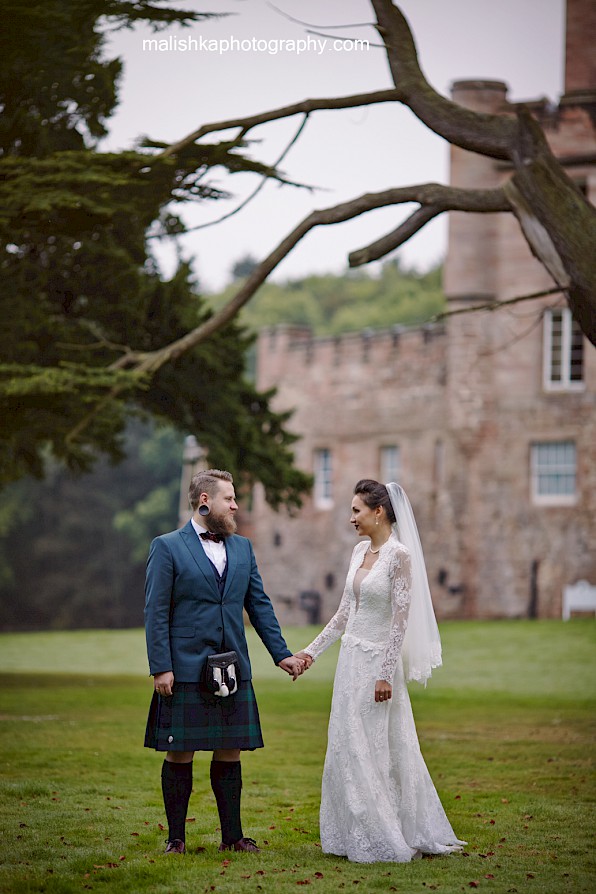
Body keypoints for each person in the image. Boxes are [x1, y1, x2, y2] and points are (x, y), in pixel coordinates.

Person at [295, 479, 465, 863]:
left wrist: (386, 673)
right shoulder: (357, 552)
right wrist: (309, 654)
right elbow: (343, 615)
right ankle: (352, 832)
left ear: (379, 512)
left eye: (356, 510)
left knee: (375, 747)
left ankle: (388, 832)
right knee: (346, 744)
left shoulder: (399, 556)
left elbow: (400, 623)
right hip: (349, 664)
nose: (351, 517)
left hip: (377, 666)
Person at [144, 469, 305, 855]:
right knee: (180, 751)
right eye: (229, 498)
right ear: (204, 501)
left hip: (232, 665)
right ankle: (176, 839)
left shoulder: (243, 548)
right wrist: (160, 665)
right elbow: (155, 611)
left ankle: (232, 837)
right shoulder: (167, 547)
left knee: (230, 748)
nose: (235, 505)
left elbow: (259, 605)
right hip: (184, 666)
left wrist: (281, 653)